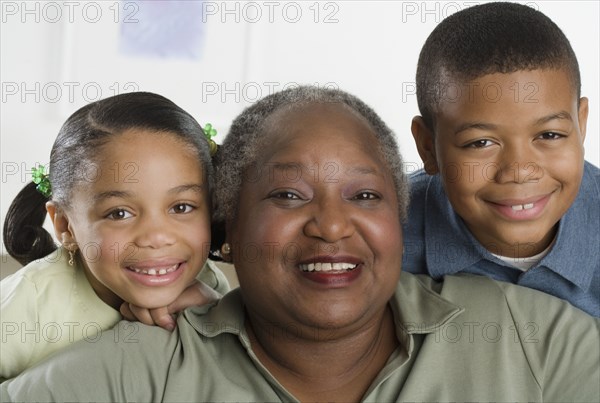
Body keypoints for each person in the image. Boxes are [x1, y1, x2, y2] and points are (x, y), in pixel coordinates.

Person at [1, 86, 598, 402]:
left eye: (365, 196)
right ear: (231, 226)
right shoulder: (130, 367)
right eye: (288, 195)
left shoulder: (538, 342)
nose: (332, 225)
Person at [0, 92, 229, 380]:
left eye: (181, 207)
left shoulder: (206, 283)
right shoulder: (26, 307)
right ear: (65, 226)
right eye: (119, 213)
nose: (157, 237)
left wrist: (214, 314)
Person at [404, 2, 599, 316]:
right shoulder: (380, 240)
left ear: (581, 124)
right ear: (428, 147)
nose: (519, 171)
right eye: (480, 142)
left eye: (549, 135)